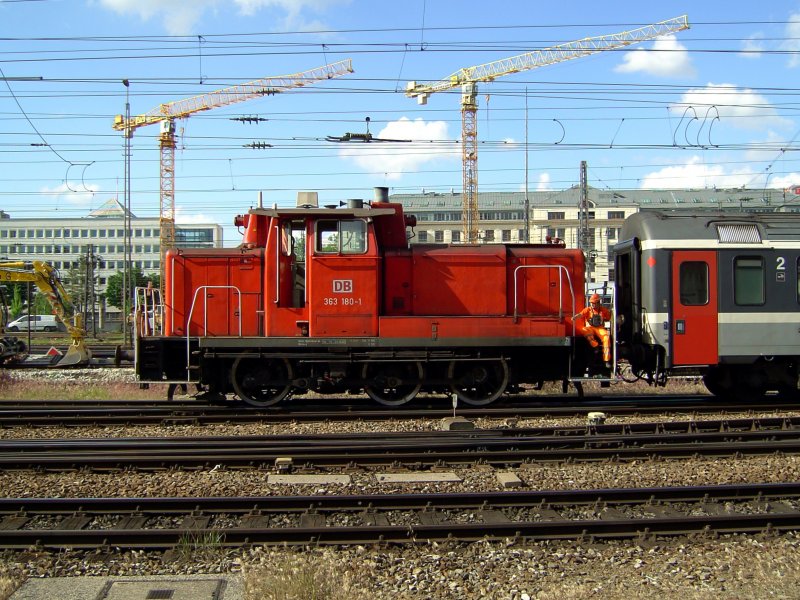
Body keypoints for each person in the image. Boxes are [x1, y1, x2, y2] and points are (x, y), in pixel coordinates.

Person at [573, 293, 613, 369]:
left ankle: (606, 360)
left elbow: (608, 317)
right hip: (590, 328)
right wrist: (575, 317)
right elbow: (581, 314)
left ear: (598, 303)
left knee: (606, 338)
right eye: (591, 303)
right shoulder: (587, 310)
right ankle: (595, 346)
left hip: (600, 328)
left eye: (594, 303)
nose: (592, 305)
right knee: (584, 330)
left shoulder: (603, 310)